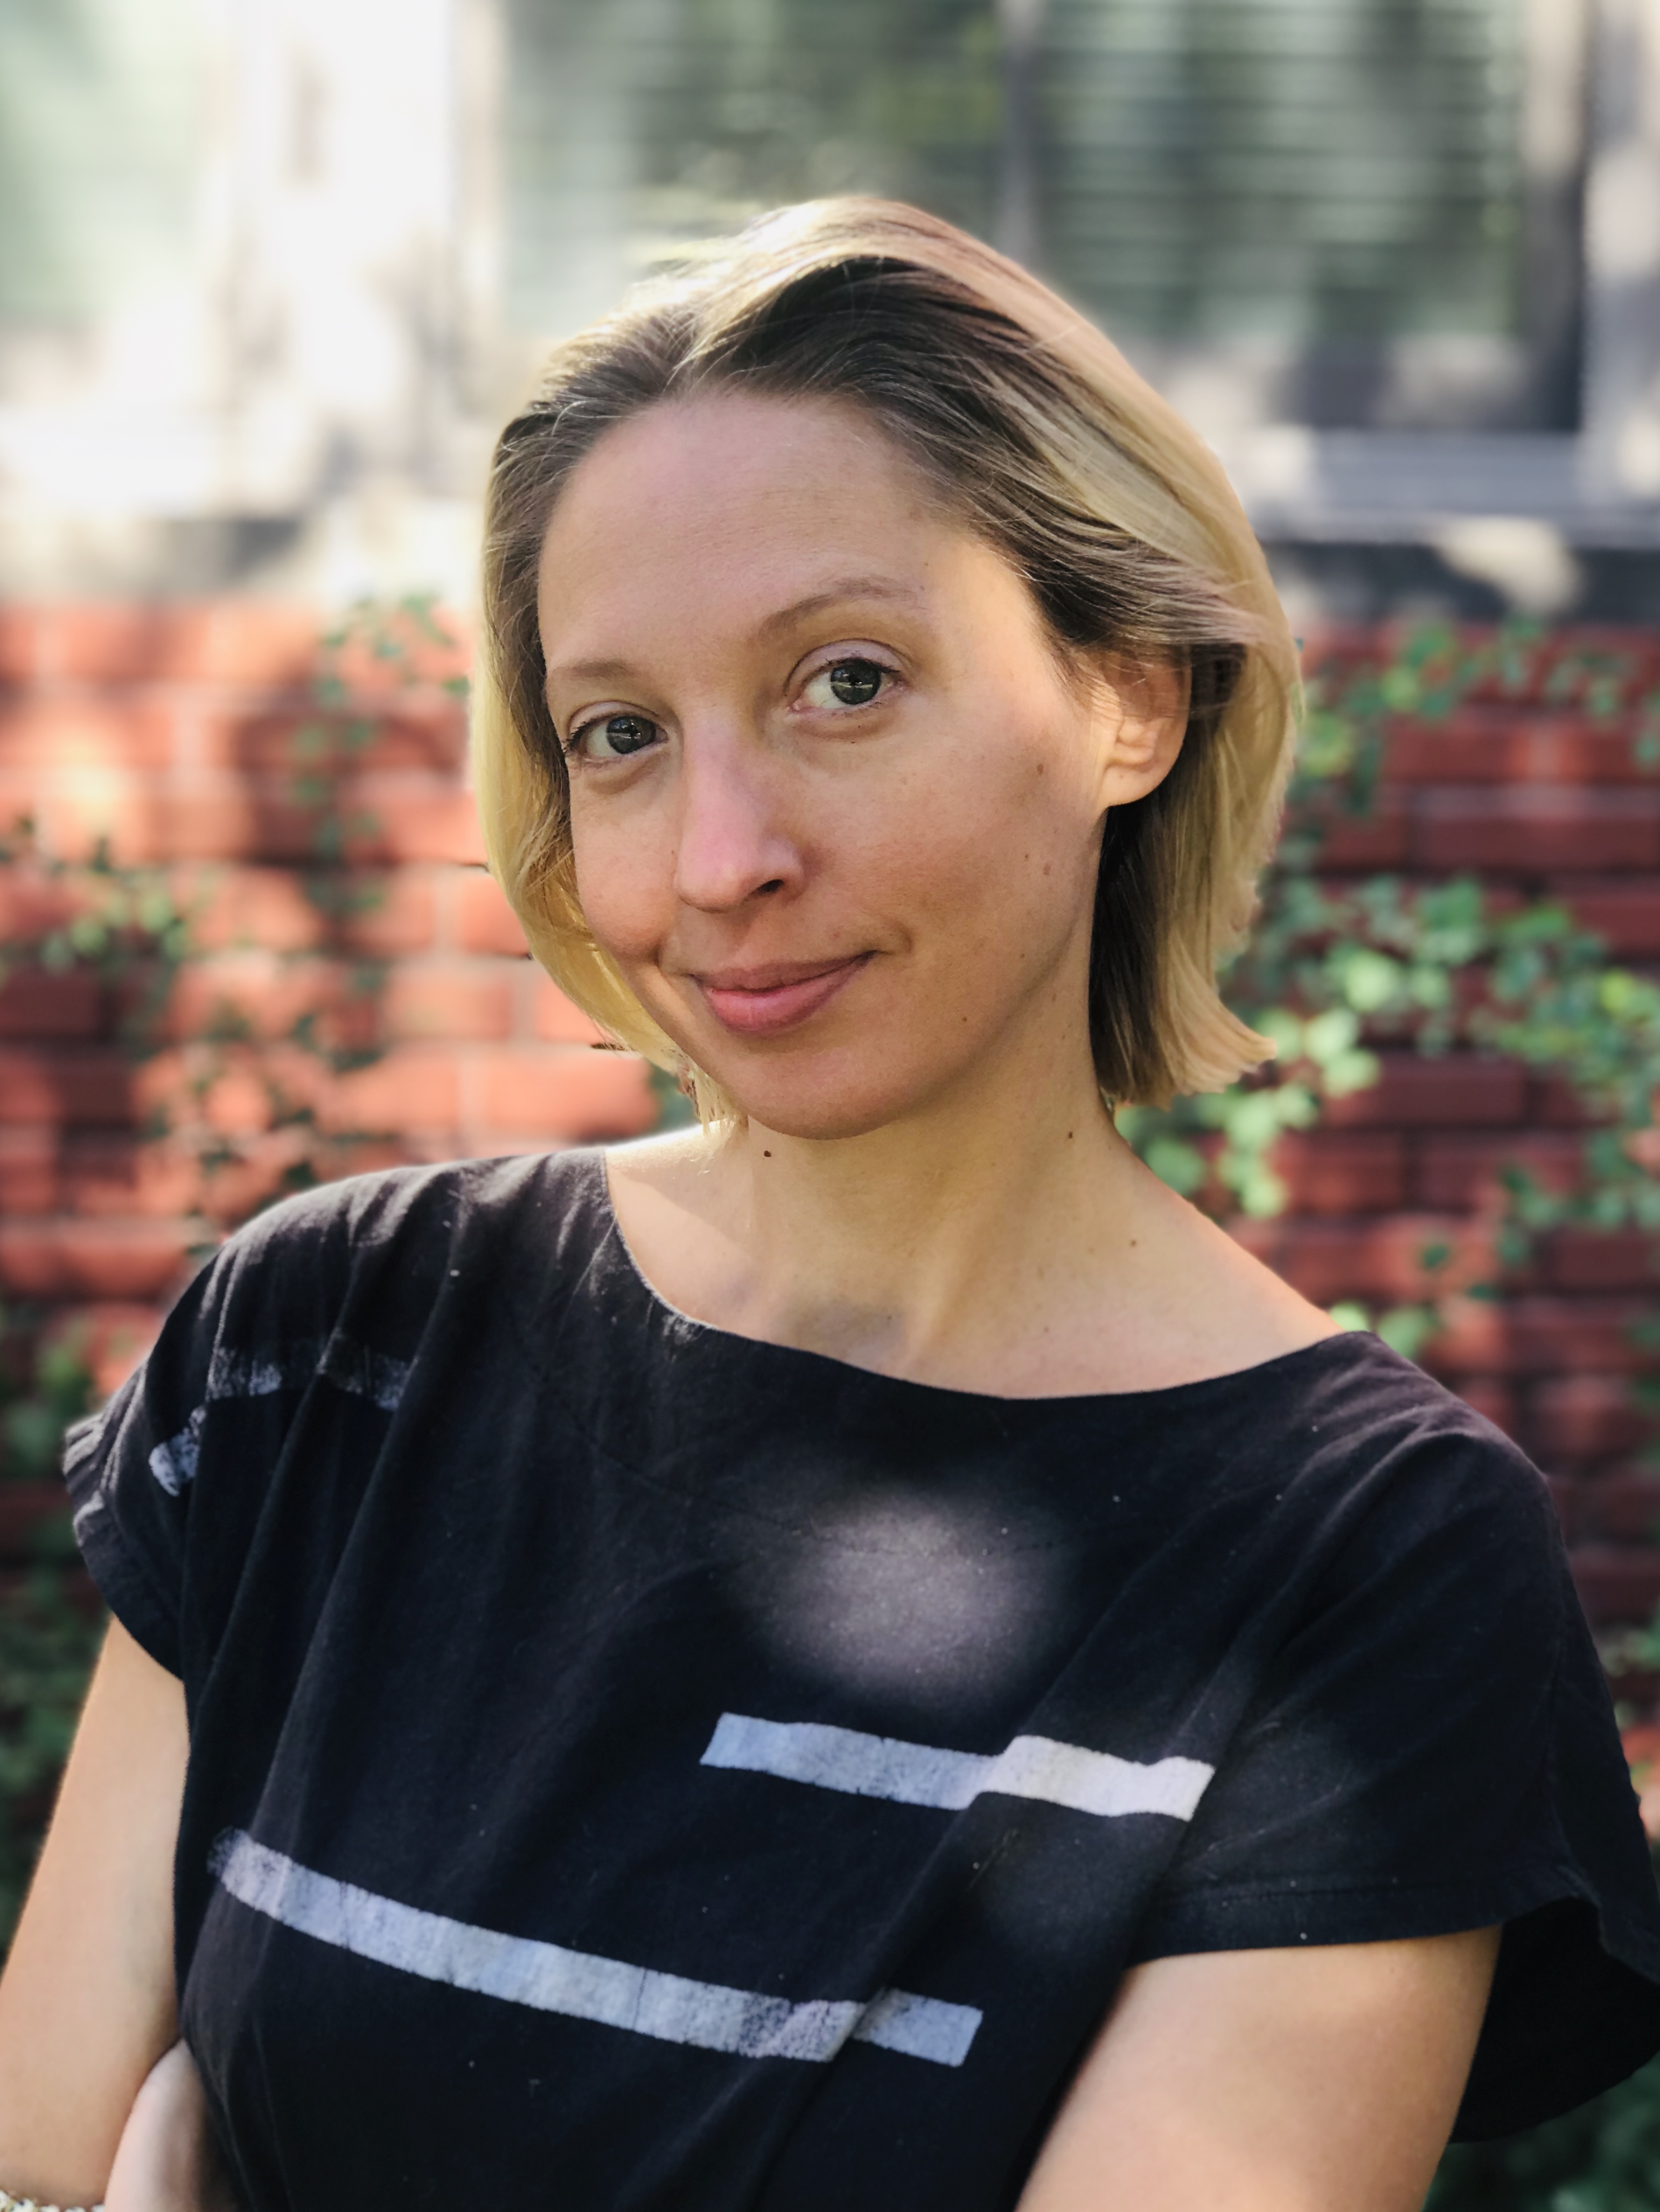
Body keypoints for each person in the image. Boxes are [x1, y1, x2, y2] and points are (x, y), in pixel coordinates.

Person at [1, 198, 1657, 2212]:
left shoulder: (1363, 1565)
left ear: (1130, 696)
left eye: (845, 683)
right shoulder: (325, 1349)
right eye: (621, 733)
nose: (718, 858)